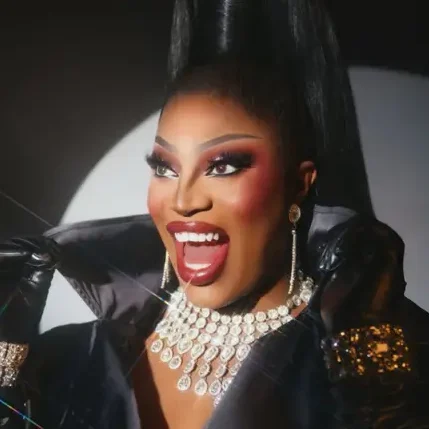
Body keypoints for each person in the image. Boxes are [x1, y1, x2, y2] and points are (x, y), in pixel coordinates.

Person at [1, 0, 428, 428]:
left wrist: (373, 384)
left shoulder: (375, 366)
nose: (184, 200)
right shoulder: (71, 362)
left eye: (223, 166)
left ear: (300, 183)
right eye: (165, 167)